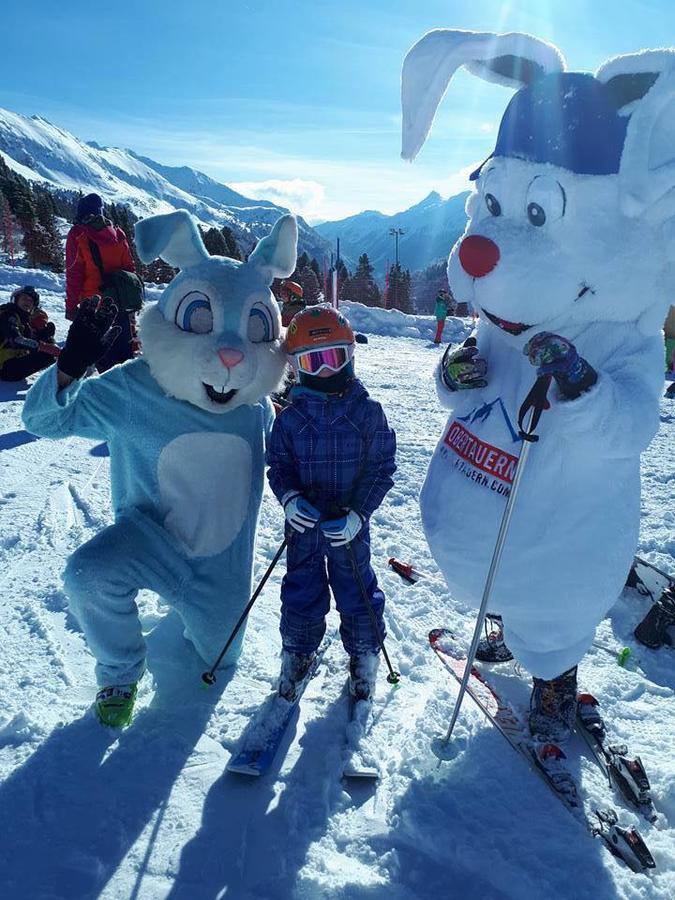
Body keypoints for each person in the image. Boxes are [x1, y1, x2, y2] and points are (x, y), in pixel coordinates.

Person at [266, 305, 397, 703]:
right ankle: (298, 652)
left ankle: (364, 654)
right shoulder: (288, 419)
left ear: (349, 356)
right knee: (301, 588)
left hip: (347, 526)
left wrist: (360, 513)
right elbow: (279, 466)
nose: (325, 370)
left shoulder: (367, 413)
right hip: (303, 528)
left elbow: (382, 466)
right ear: (296, 366)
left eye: (333, 358)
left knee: (356, 587)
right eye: (313, 361)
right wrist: (289, 499)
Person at [65, 193, 139, 371]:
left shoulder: (78, 234)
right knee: (124, 352)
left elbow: (74, 273)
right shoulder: (117, 233)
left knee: (101, 353)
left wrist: (71, 306)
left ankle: (110, 392)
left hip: (93, 303)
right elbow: (130, 269)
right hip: (119, 301)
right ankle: (129, 391)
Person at [0, 286, 57, 381]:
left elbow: (31, 341)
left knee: (47, 349)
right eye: (24, 298)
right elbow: (16, 339)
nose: (27, 302)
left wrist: (46, 337)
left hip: (9, 363)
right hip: (4, 368)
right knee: (47, 355)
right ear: (16, 300)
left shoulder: (25, 321)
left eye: (31, 300)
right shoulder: (8, 315)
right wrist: (43, 347)